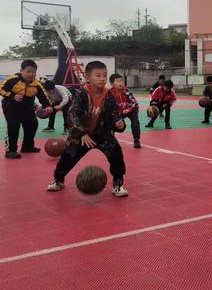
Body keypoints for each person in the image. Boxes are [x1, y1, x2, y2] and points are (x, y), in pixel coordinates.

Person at [46, 61, 128, 197]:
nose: (102, 78)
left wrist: (119, 123)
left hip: (103, 134)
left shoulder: (109, 95)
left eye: (105, 75)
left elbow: (115, 113)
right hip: (81, 135)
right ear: (88, 77)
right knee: (67, 158)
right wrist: (82, 133)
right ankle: (58, 180)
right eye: (98, 75)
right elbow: (72, 114)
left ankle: (118, 184)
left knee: (117, 156)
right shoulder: (80, 93)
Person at [0, 60, 53, 159]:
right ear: (21, 71)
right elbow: (1, 88)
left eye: (33, 72)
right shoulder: (13, 80)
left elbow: (43, 96)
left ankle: (27, 146)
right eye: (28, 71)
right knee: (13, 127)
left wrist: (48, 106)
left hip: (28, 108)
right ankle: (11, 151)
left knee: (32, 125)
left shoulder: (37, 84)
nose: (31, 74)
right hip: (11, 107)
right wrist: (12, 96)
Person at [109, 73, 141, 148]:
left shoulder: (126, 91)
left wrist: (128, 109)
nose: (120, 83)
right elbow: (110, 108)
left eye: (121, 81)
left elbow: (134, 102)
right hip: (119, 112)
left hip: (130, 110)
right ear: (112, 84)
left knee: (135, 122)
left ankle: (136, 140)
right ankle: (111, 137)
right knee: (115, 123)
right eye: (117, 81)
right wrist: (119, 113)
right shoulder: (109, 94)